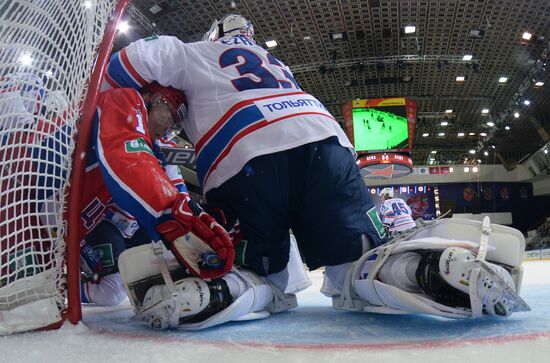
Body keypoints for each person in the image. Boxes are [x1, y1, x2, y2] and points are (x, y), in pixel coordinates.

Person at [103, 14, 528, 329]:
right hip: (323, 137)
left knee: (261, 274)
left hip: (243, 152)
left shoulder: (193, 53)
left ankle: (214, 292)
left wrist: (125, 98)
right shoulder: (276, 65)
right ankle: (427, 269)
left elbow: (124, 65)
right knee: (354, 269)